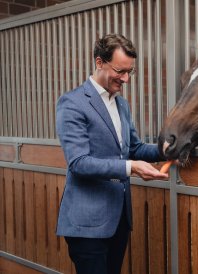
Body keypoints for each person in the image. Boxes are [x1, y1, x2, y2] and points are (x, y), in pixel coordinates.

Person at [56, 33, 168, 274]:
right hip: (86, 224)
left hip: (118, 219)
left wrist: (165, 150)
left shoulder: (122, 104)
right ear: (99, 62)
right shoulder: (72, 103)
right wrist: (131, 167)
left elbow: (135, 148)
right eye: (120, 71)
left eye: (130, 72)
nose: (126, 78)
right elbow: (79, 163)